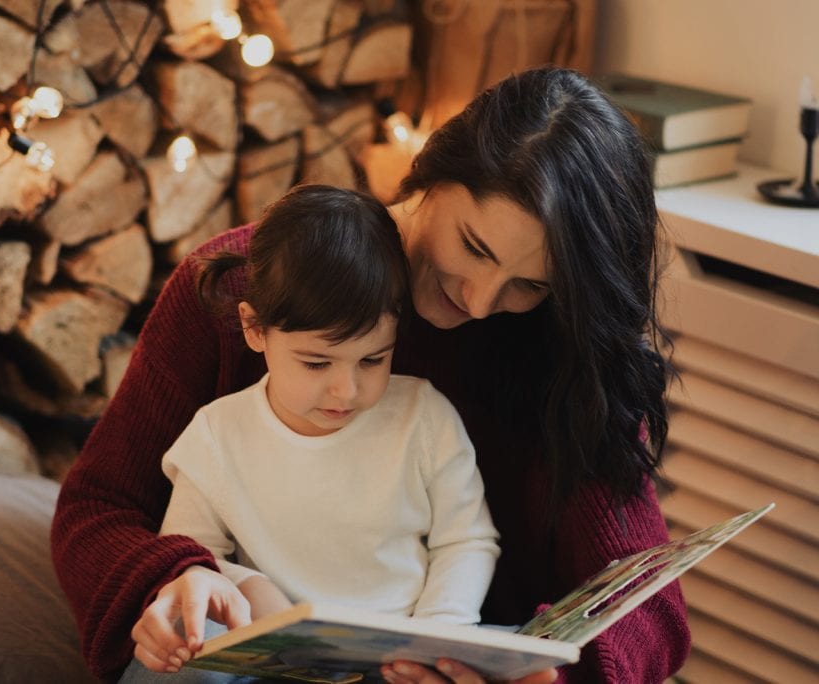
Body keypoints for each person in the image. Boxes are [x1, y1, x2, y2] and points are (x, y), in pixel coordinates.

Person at [51, 66, 690, 684]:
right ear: (432, 176)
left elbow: (648, 601)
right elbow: (96, 511)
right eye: (474, 246)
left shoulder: (561, 349)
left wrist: (546, 676)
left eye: (529, 284)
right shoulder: (240, 287)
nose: (481, 300)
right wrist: (179, 578)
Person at [146, 185, 501, 674]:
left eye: (372, 359)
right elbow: (187, 556)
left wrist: (439, 635)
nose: (347, 391)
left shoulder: (424, 417)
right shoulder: (217, 434)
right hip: (272, 658)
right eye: (316, 363)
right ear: (254, 329)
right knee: (181, 649)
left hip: (396, 660)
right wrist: (246, 585)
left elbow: (466, 541)